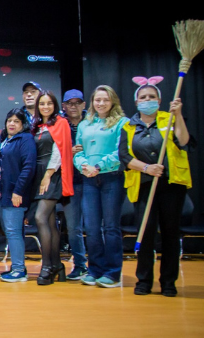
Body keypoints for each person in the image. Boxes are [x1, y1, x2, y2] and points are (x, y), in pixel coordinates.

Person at [121, 76, 192, 297]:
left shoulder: (168, 119)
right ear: (136, 102)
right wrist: (146, 168)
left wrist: (178, 115)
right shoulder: (128, 126)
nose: (147, 100)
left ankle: (168, 282)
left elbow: (184, 141)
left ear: (159, 101)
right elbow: (124, 156)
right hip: (144, 185)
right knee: (146, 232)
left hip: (172, 186)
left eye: (152, 97)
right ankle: (144, 280)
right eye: (143, 97)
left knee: (170, 233)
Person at [73, 85, 129, 288]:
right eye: (97, 100)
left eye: (105, 99)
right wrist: (83, 165)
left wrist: (98, 165)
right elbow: (77, 151)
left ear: (112, 101)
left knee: (111, 227)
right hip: (89, 178)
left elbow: (121, 152)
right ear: (92, 102)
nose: (101, 103)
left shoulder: (123, 123)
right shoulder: (85, 124)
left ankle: (113, 272)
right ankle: (95, 269)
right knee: (92, 227)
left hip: (111, 178)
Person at [31, 91, 73, 285]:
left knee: (40, 218)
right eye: (42, 103)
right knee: (49, 221)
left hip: (52, 174)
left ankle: (46, 266)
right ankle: (57, 265)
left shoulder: (61, 123)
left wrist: (47, 175)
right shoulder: (37, 126)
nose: (45, 106)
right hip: (39, 174)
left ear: (55, 105)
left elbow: (59, 150)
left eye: (49, 103)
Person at [0, 108, 37, 283]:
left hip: (15, 194)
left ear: (23, 124)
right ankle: (18, 267)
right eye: (9, 120)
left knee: (13, 232)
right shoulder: (6, 140)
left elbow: (28, 167)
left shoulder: (26, 139)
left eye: (16, 121)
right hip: (3, 193)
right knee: (12, 231)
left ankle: (19, 269)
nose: (12, 124)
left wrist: (18, 191)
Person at [60, 89, 88, 280]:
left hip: (95, 180)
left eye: (77, 102)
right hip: (70, 182)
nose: (74, 106)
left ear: (84, 105)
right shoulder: (60, 125)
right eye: (70, 103)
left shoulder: (93, 123)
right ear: (63, 106)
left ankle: (100, 265)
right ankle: (80, 265)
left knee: (96, 227)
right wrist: (69, 152)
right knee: (74, 228)